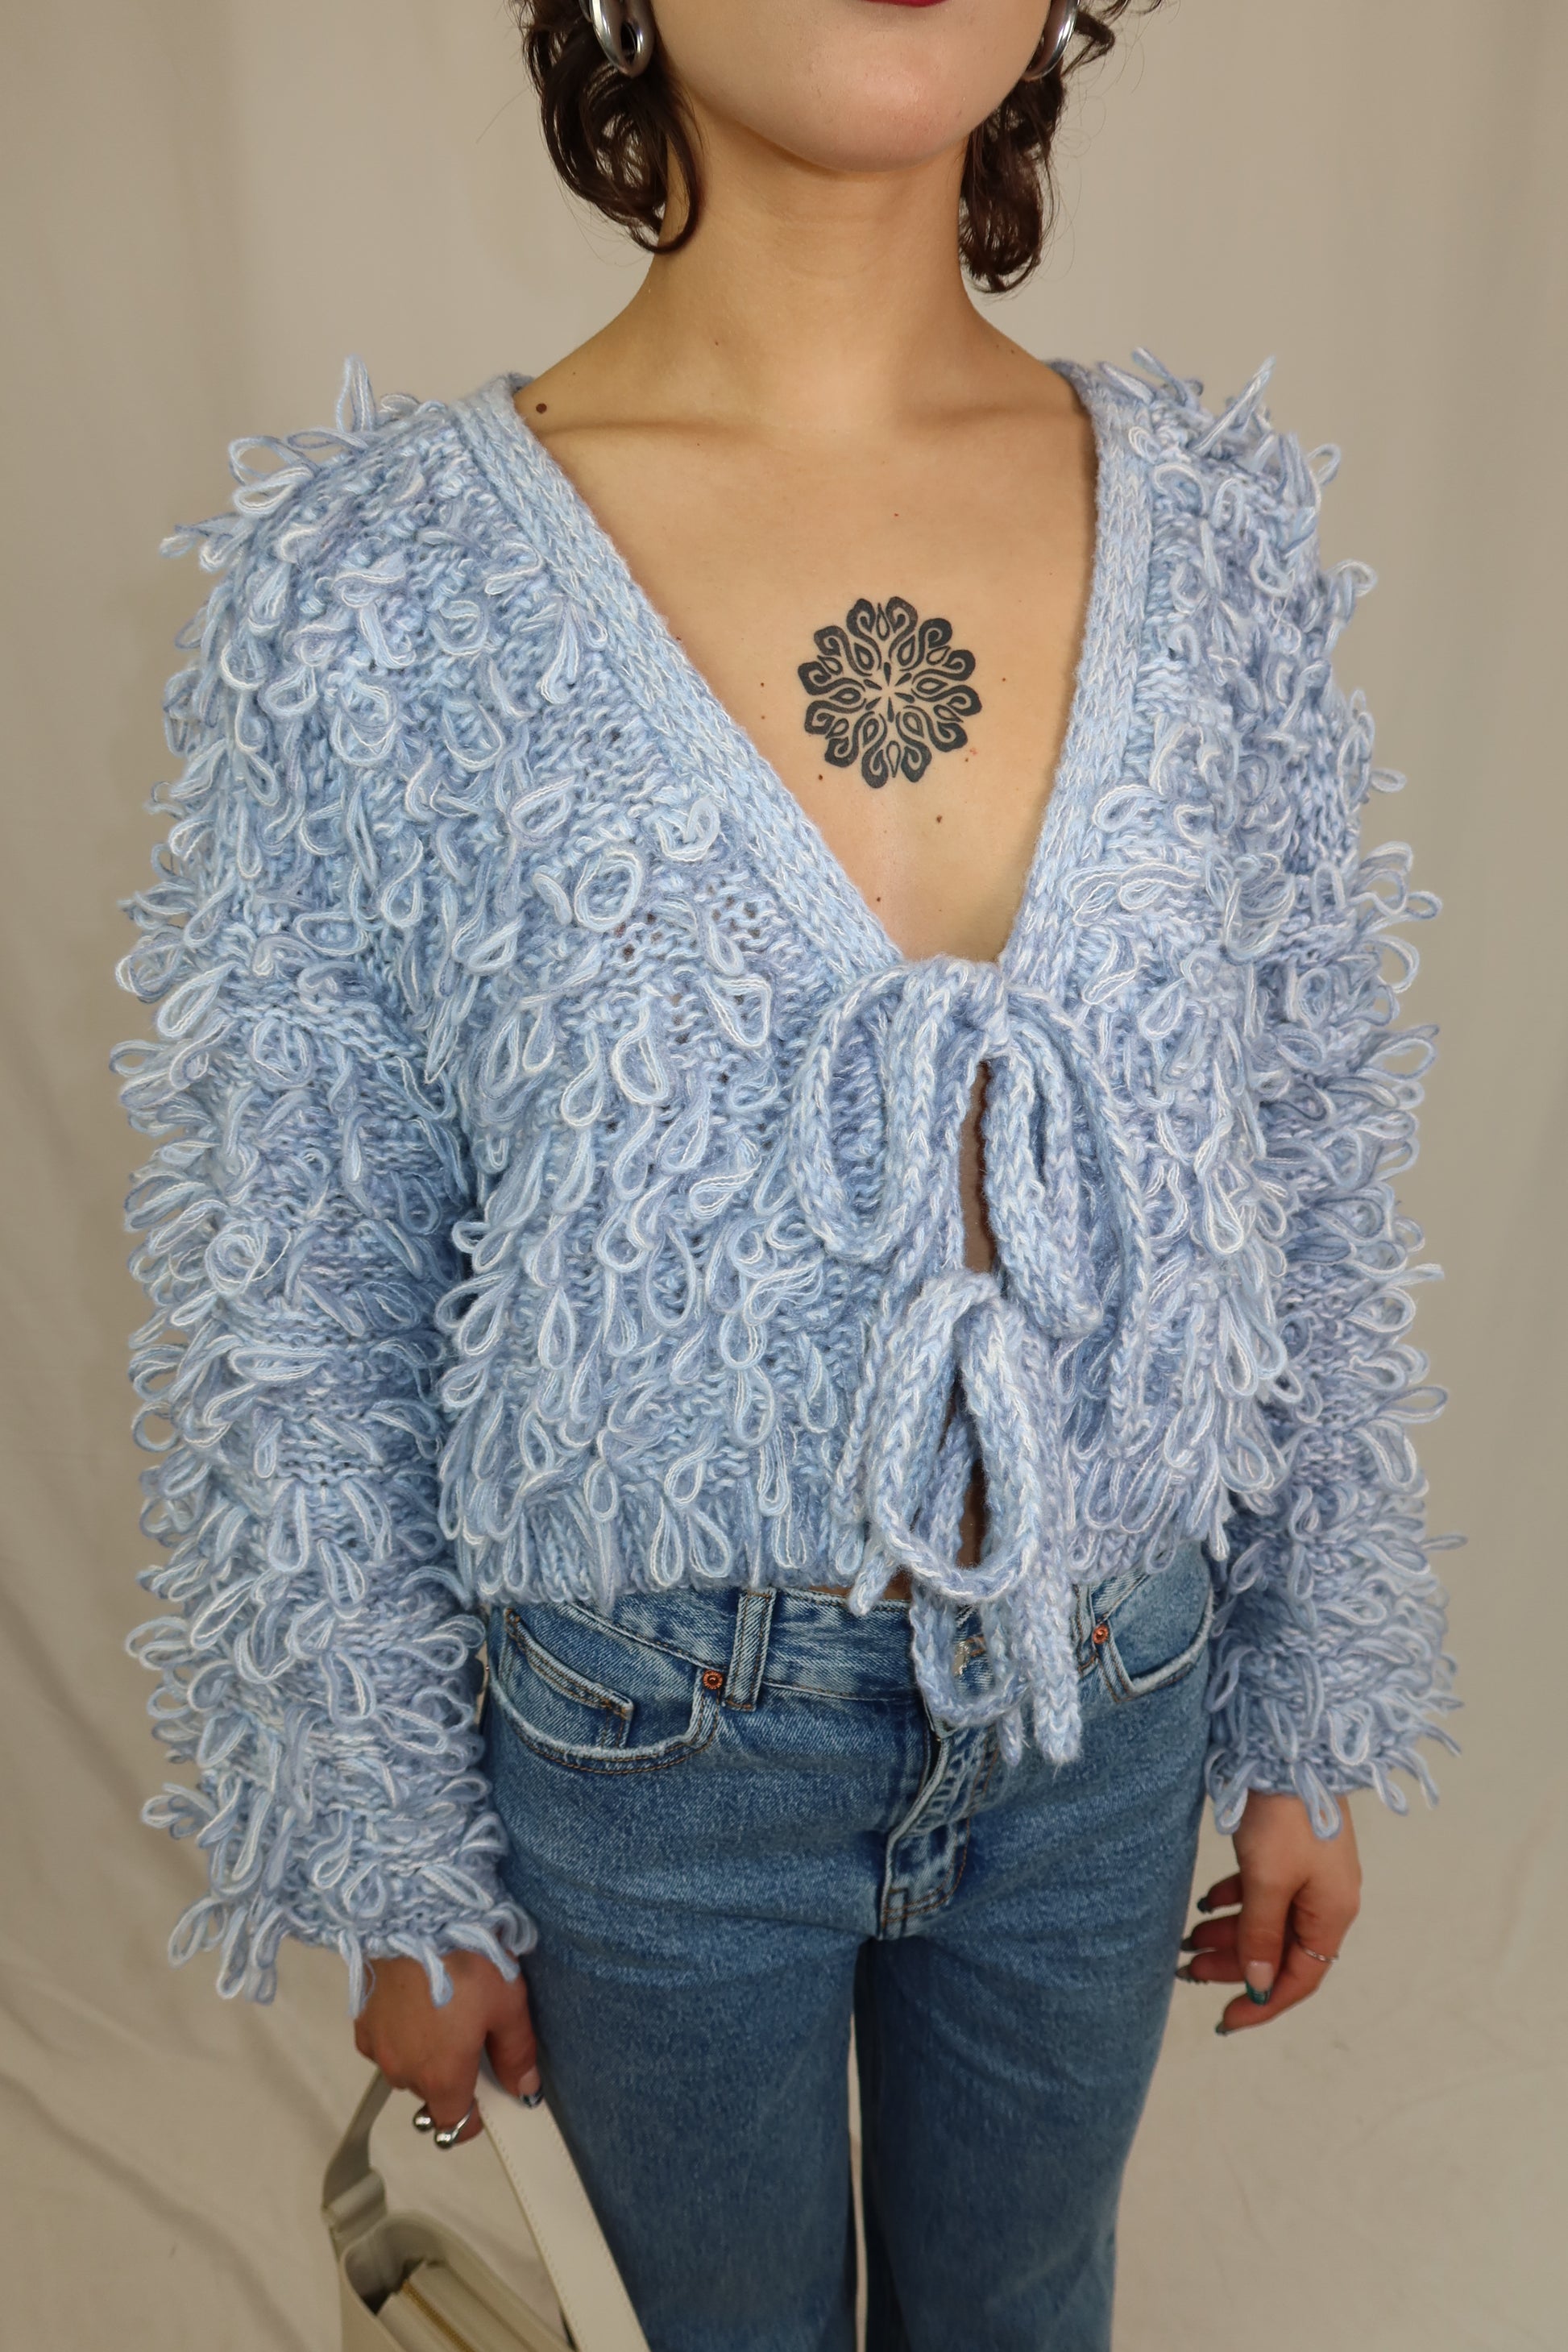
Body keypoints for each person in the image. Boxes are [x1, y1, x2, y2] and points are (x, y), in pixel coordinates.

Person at [110, 2, 1458, 2345]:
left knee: (1023, 2313)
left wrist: (1305, 1702)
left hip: (1104, 1689)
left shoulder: (1217, 532)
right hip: (646, 1738)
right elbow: (299, 1270)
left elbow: (1306, 1149)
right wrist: (391, 1859)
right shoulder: (376, 583)